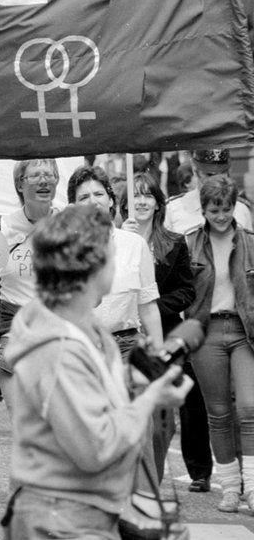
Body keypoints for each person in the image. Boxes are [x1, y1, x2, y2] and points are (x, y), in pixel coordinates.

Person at [3, 204, 192, 540]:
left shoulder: (84, 326)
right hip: (61, 520)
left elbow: (93, 398)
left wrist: (132, 384)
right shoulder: (58, 346)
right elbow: (95, 448)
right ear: (94, 265)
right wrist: (149, 400)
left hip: (79, 513)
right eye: (112, 255)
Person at [119, 173, 198, 483]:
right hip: (123, 338)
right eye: (135, 195)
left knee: (162, 421)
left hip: (162, 335)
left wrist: (151, 308)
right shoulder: (116, 239)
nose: (141, 201)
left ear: (157, 203)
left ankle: (154, 479)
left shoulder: (174, 243)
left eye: (147, 195)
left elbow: (186, 290)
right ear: (124, 203)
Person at [184, 176, 254, 512]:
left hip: (244, 330)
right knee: (218, 413)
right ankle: (229, 488)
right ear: (204, 209)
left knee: (250, 409)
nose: (222, 216)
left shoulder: (251, 242)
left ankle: (252, 487)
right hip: (206, 331)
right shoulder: (190, 244)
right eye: (215, 210)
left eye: (227, 209)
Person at [0, 159, 60, 414]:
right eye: (35, 175)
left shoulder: (71, 225)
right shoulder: (0, 228)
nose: (44, 180)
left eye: (49, 175)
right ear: (20, 184)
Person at [68, 166, 163, 353]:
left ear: (110, 200)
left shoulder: (135, 244)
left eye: (98, 194)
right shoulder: (64, 248)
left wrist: (159, 353)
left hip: (128, 346)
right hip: (82, 348)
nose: (93, 201)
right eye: (84, 197)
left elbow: (148, 307)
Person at [166, 149, 252, 233]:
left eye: (222, 173)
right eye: (209, 174)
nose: (216, 180)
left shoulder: (241, 210)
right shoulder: (173, 210)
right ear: (194, 170)